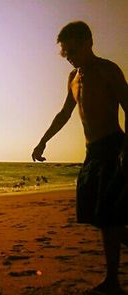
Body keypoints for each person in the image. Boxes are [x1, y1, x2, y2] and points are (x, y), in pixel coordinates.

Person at [31, 21, 128, 295]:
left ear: (88, 43)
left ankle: (113, 282)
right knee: (98, 216)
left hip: (113, 148)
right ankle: (113, 279)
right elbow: (65, 113)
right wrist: (43, 140)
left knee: (109, 219)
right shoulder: (73, 77)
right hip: (92, 153)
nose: (69, 57)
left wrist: (127, 151)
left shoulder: (107, 70)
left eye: (73, 51)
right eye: (65, 54)